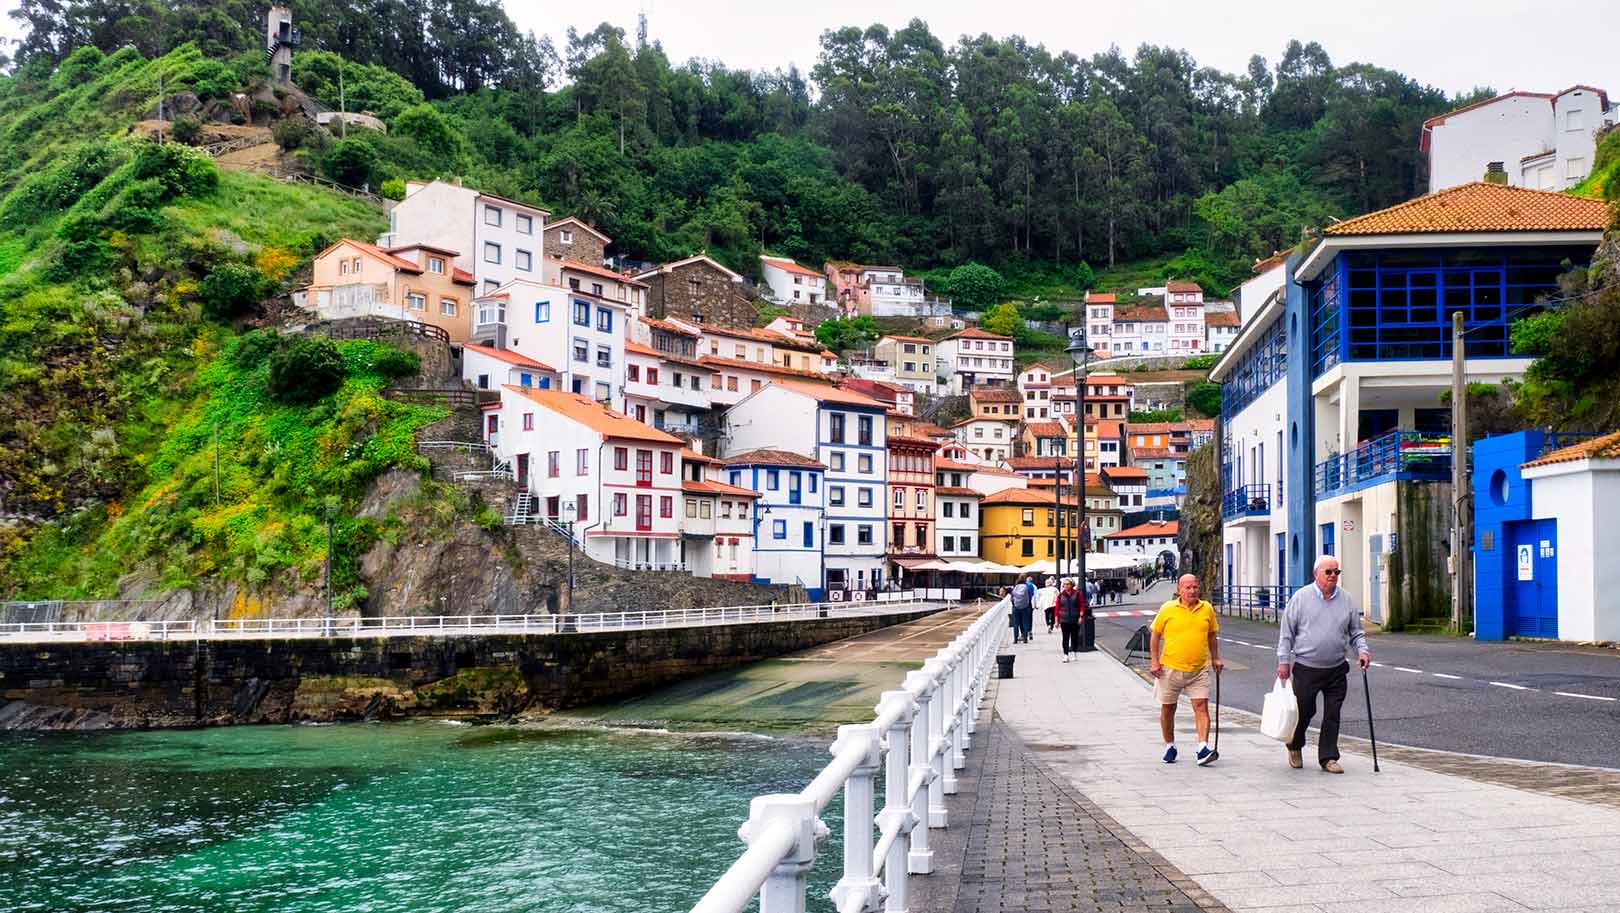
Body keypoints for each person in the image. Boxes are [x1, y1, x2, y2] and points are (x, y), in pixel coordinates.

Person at [1276, 554, 1370, 774]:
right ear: (1316, 573)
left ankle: (1328, 757)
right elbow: (1286, 633)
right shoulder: (1301, 598)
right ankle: (1295, 745)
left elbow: (1356, 631)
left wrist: (1363, 651)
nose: (1333, 576)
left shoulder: (1346, 599)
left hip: (1336, 667)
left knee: (1332, 713)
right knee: (1304, 711)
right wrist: (1283, 661)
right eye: (1328, 572)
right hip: (1307, 668)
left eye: (1336, 572)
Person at [1148, 574, 1223, 766]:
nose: (1192, 591)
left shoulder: (1206, 608)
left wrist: (1215, 658)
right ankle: (1170, 746)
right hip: (1169, 669)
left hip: (1198, 669)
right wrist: (1154, 662)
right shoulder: (1168, 608)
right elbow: (1155, 636)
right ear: (1179, 589)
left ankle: (1202, 748)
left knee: (1201, 707)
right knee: (1167, 709)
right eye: (1188, 588)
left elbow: (1212, 636)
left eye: (1195, 587)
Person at [1056, 577, 1084, 661]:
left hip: (1075, 619)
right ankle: (1065, 655)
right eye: (1065, 584)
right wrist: (1057, 620)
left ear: (1072, 585)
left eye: (1068, 584)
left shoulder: (1077, 594)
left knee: (1074, 637)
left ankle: (1075, 653)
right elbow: (1057, 608)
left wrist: (1081, 616)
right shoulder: (1060, 595)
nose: (1066, 586)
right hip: (1064, 619)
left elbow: (1081, 606)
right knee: (1065, 638)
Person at [1009, 576, 1035, 643]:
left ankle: (1015, 639)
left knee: (1016, 624)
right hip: (1025, 607)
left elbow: (1012, 597)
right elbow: (1030, 596)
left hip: (1016, 607)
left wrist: (1014, 604)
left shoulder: (1015, 587)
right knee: (1025, 623)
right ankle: (1025, 638)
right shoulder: (1027, 586)